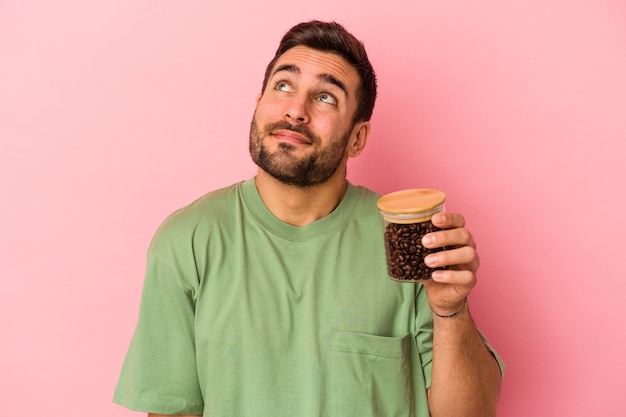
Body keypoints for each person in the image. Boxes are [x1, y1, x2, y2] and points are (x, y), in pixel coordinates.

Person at [113, 20, 504, 417]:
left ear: (357, 137)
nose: (295, 110)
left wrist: (450, 308)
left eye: (326, 98)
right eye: (283, 86)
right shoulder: (189, 239)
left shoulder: (403, 238)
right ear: (258, 104)